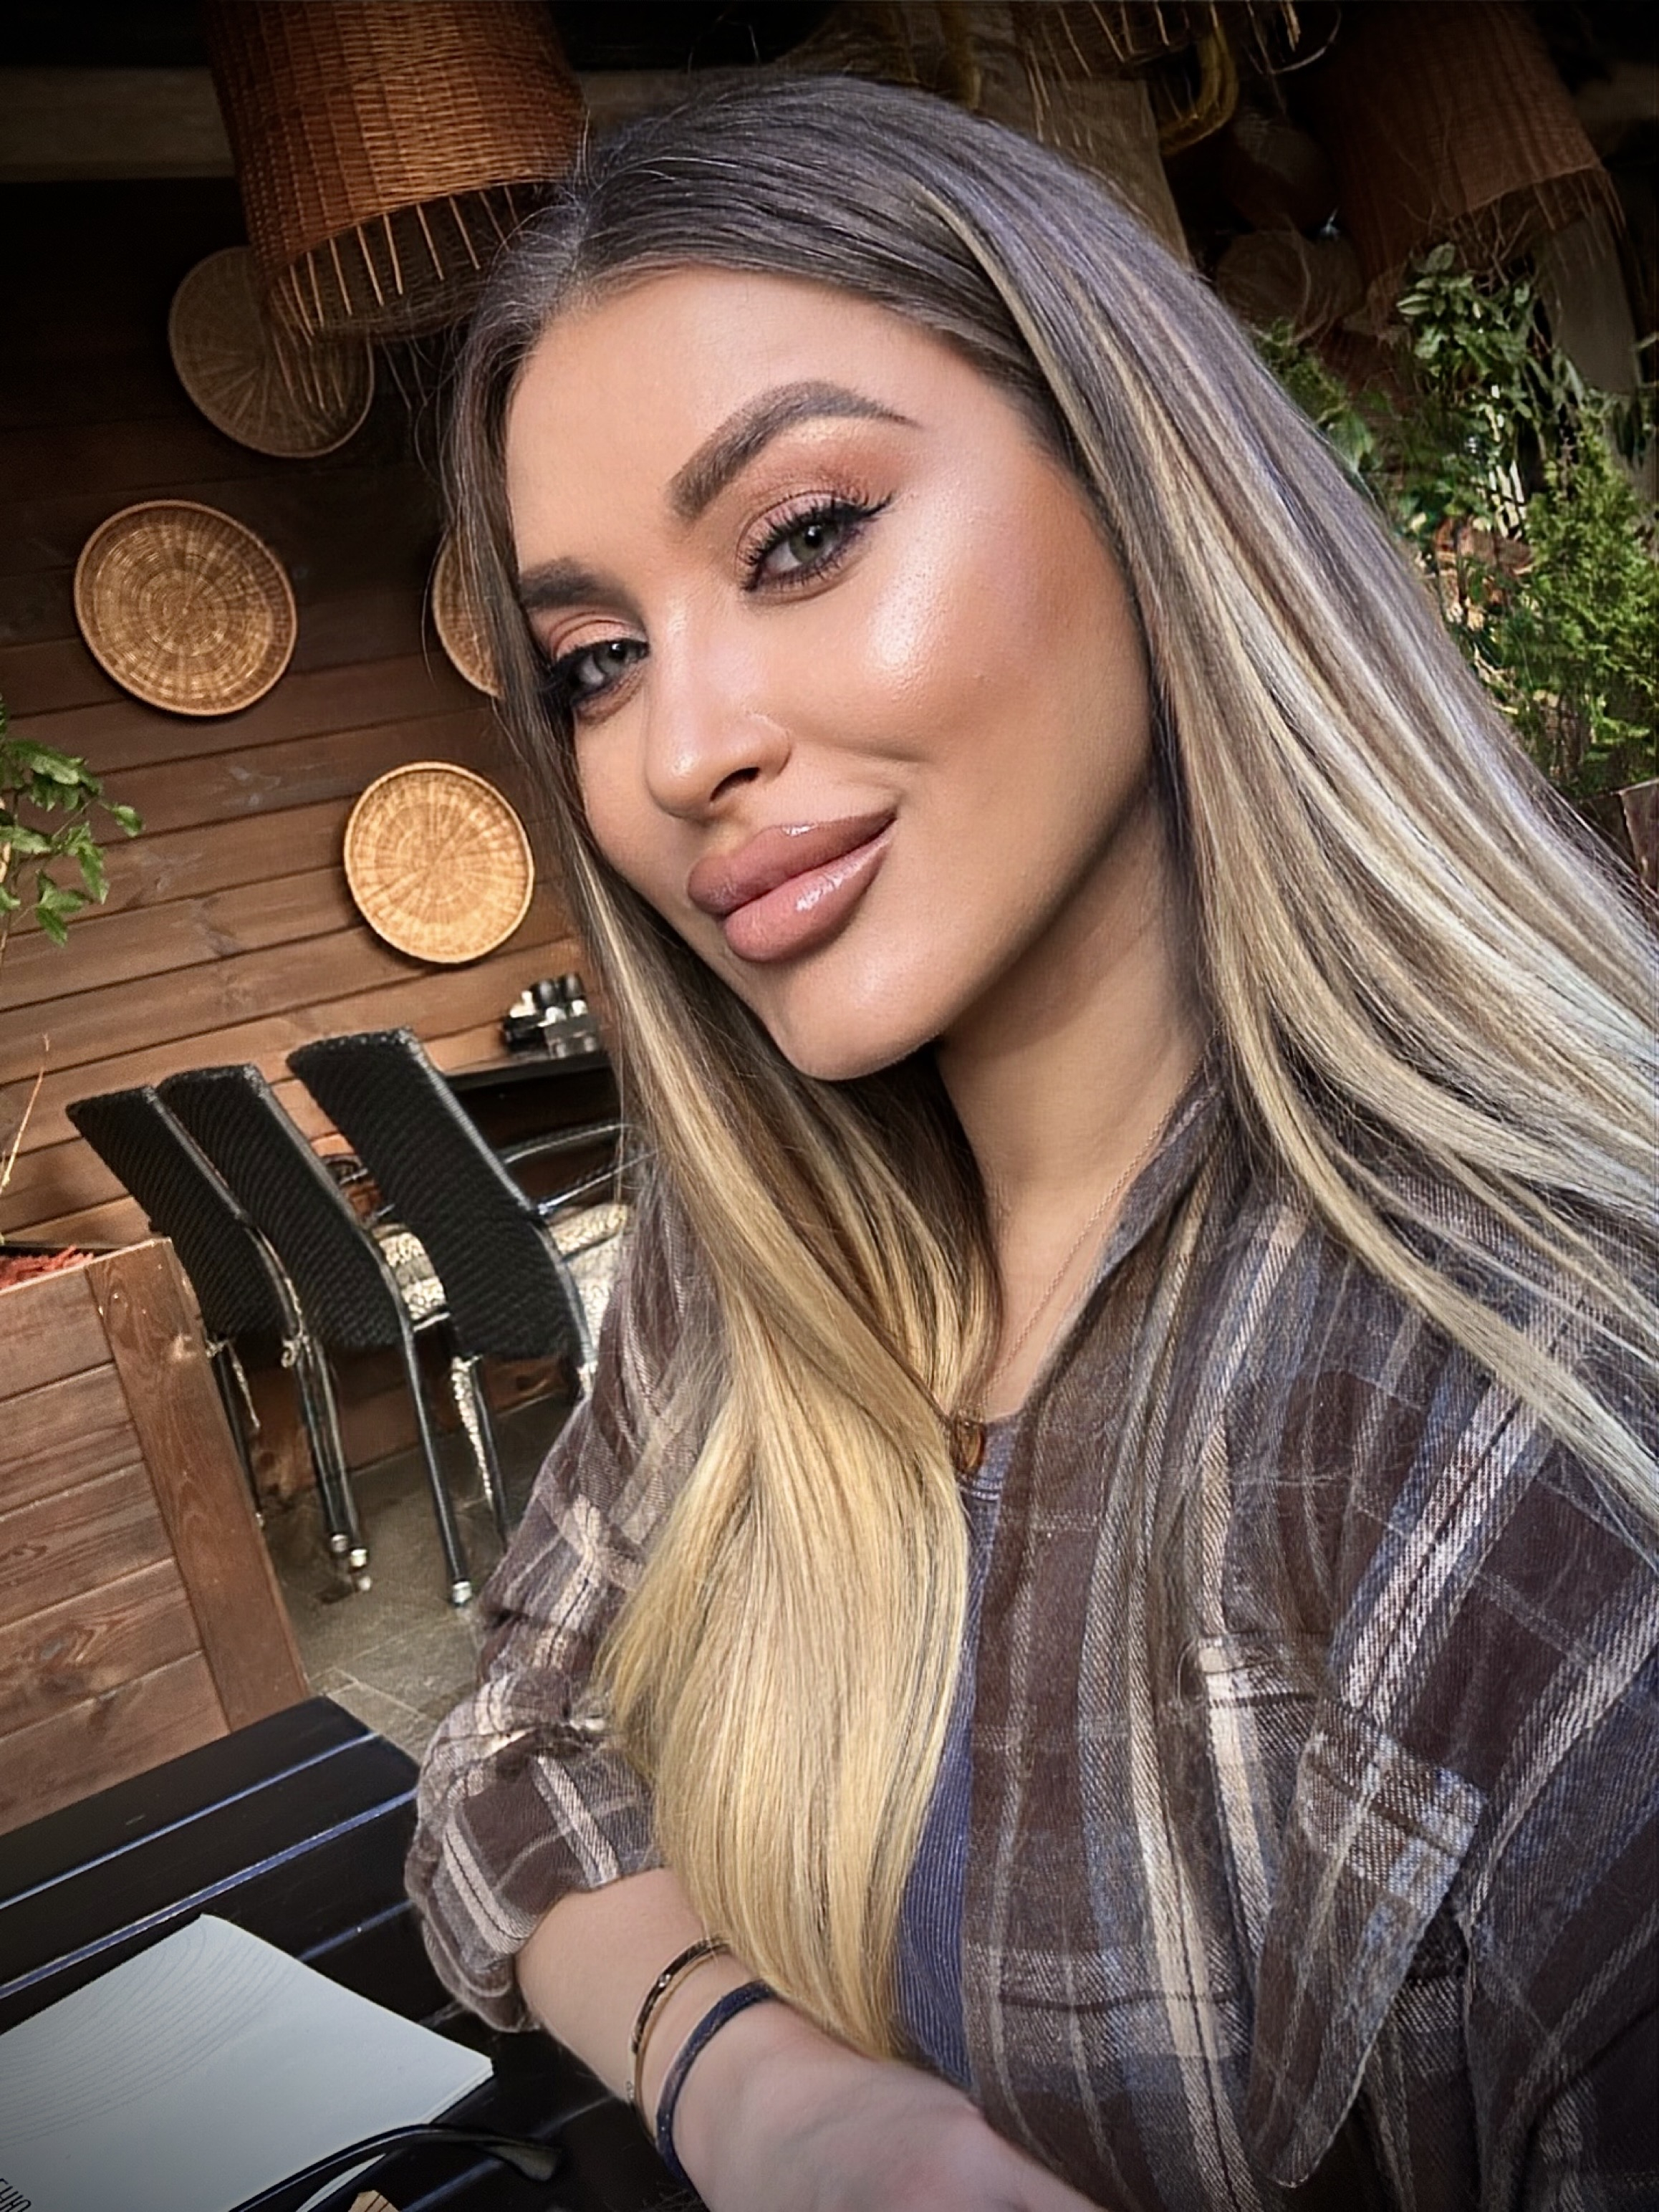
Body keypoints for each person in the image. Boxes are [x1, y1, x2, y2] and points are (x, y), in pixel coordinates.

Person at [407, 74, 1657, 2212]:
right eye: (596, 661)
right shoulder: (752, 1256)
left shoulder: (1511, 1422)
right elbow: (506, 1746)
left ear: (1142, 486)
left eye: (802, 537)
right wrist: (772, 2098)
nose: (680, 750)